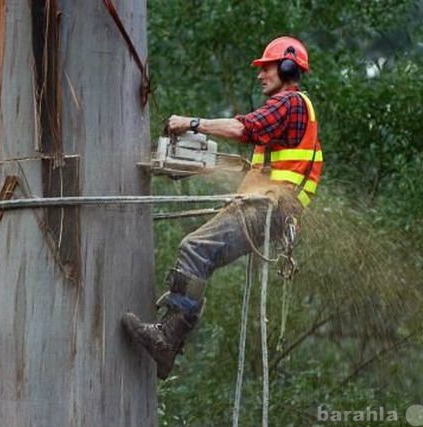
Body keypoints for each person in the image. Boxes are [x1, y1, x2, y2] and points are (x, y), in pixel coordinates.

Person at [122, 36, 323, 379]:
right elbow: (265, 166)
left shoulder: (289, 103)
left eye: (267, 67)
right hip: (268, 210)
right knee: (201, 253)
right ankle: (170, 336)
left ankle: (167, 338)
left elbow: (243, 128)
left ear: (288, 67)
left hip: (270, 209)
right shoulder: (289, 115)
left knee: (196, 248)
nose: (260, 75)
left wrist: (192, 123)